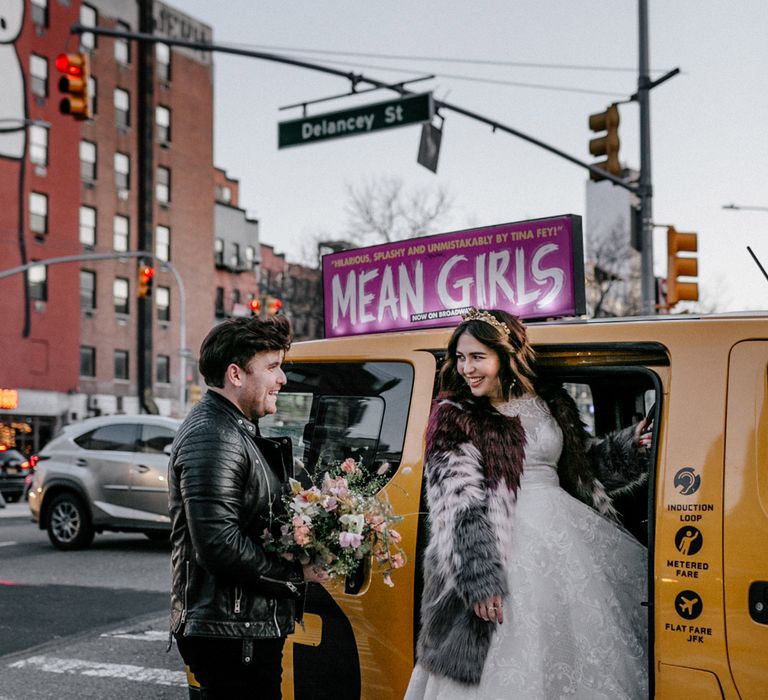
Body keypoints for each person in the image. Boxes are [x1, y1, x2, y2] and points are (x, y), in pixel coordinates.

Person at [405, 308, 650, 700]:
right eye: (461, 358)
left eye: (477, 357)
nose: (467, 368)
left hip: (566, 538)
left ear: (506, 355)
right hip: (499, 553)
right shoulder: (455, 416)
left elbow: (582, 469)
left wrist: (630, 448)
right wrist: (480, 580)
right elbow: (456, 505)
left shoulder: (549, 400)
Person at [169, 315, 328, 699]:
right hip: (231, 633)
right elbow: (218, 544)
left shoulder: (233, 427)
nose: (282, 379)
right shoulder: (214, 435)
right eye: (273, 367)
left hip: (239, 627)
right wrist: (292, 575)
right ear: (236, 375)